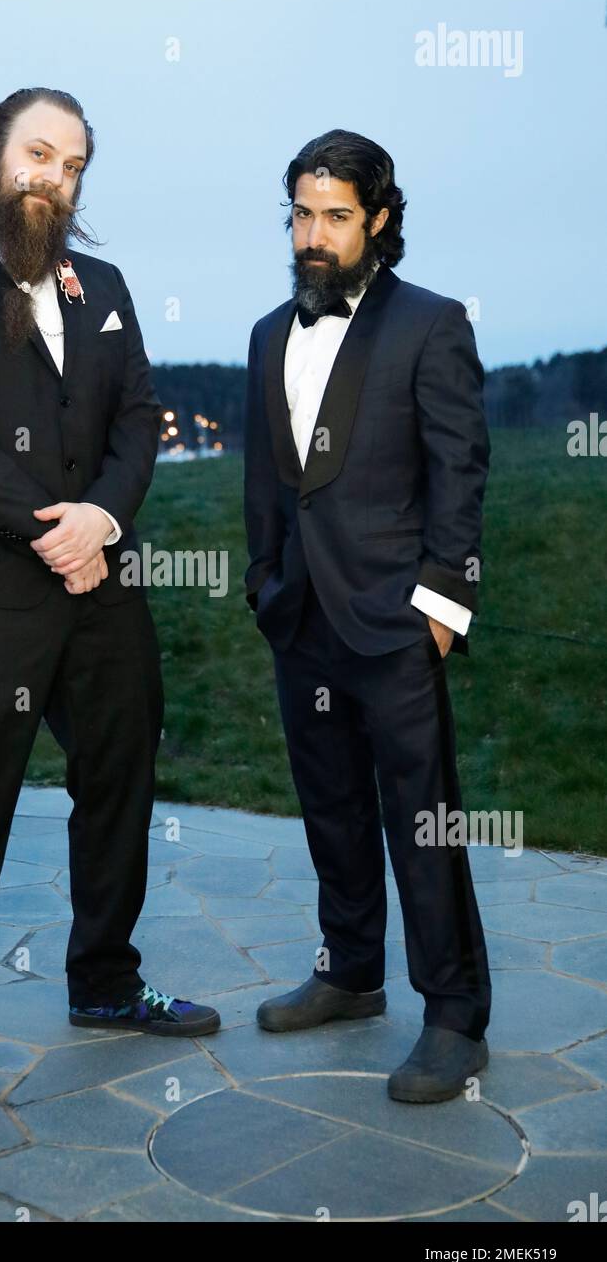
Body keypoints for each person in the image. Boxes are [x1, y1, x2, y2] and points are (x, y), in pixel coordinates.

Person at [0, 87, 219, 1151]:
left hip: (100, 586)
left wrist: (104, 516)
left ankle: (104, 982)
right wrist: (52, 531)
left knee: (120, 775)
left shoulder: (100, 283)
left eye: (70, 164)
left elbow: (139, 417)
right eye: (36, 153)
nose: (50, 177)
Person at [243, 129, 491, 1103]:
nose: (312, 233)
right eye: (300, 214)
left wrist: (438, 605)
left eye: (333, 215)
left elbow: (459, 471)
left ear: (377, 220)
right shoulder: (267, 332)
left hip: (395, 619)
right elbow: (268, 478)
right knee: (329, 807)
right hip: (298, 618)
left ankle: (452, 1014)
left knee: (419, 818)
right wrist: (262, 582)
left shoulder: (430, 324)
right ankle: (349, 971)